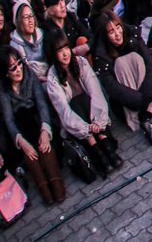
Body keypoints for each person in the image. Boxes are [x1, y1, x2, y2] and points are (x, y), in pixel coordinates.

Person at [42, 28, 123, 176]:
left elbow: (96, 92)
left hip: (96, 119)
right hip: (78, 127)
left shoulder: (80, 62)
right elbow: (64, 112)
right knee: (75, 102)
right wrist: (86, 129)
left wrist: (98, 122)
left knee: (86, 97)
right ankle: (97, 151)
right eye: (60, 51)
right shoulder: (53, 78)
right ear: (53, 54)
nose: (65, 53)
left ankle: (106, 146)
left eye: (66, 48)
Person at [0, 46, 66, 205]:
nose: (18, 69)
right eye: (13, 68)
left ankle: (54, 179)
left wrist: (45, 130)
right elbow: (8, 118)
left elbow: (42, 105)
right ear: (6, 72)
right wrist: (20, 141)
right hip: (22, 129)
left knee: (32, 119)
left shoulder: (30, 75)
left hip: (38, 121)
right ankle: (43, 186)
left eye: (19, 64)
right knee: (22, 118)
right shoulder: (2, 88)